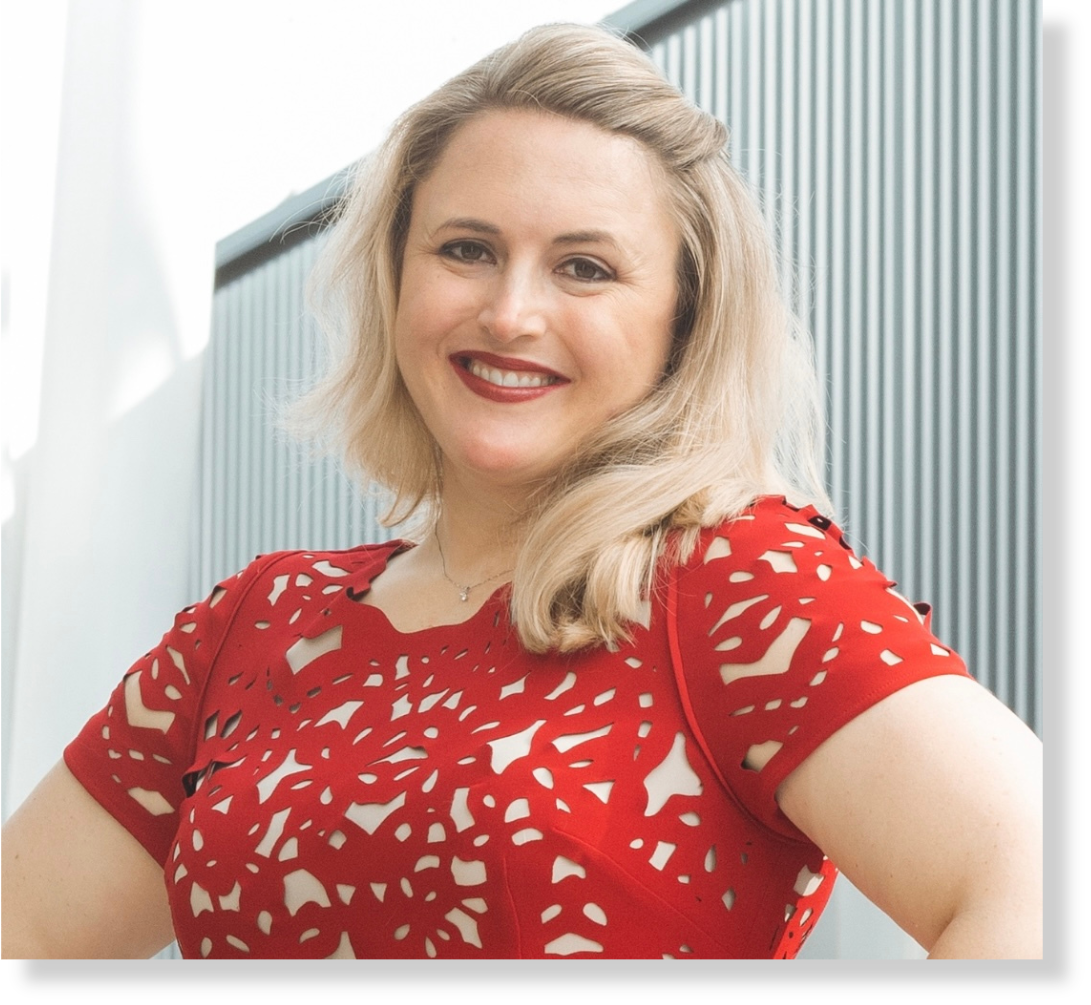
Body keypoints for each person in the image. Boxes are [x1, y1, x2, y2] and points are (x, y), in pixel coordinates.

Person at [1, 24, 1041, 960]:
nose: (508, 312)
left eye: (583, 268)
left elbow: (1029, 882)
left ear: (681, 321)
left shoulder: (737, 587)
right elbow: (29, 928)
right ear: (395, 276)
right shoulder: (249, 626)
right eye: (466, 249)